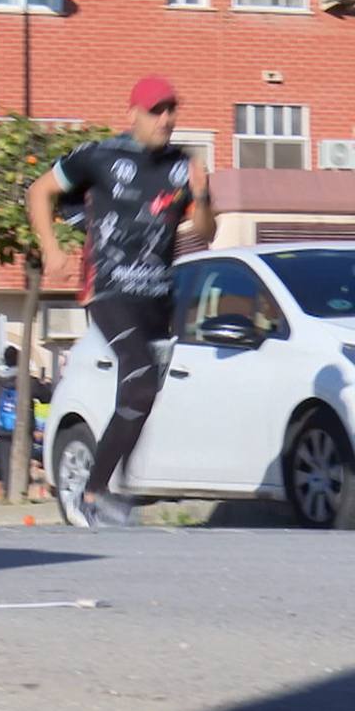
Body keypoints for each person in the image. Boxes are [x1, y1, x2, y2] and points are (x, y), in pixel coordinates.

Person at [27, 75, 215, 526]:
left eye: (171, 109)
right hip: (109, 290)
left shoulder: (182, 166)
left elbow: (206, 234)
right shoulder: (99, 156)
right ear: (132, 113)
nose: (166, 119)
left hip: (158, 297)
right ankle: (93, 495)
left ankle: (114, 488)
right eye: (156, 110)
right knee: (141, 379)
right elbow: (39, 191)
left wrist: (203, 194)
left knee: (142, 395)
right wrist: (52, 248)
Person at [0, 346, 54, 503]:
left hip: (3, 428)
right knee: (24, 461)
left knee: (5, 463)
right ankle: (21, 493)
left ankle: (8, 493)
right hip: (24, 428)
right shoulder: (28, 380)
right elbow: (46, 397)